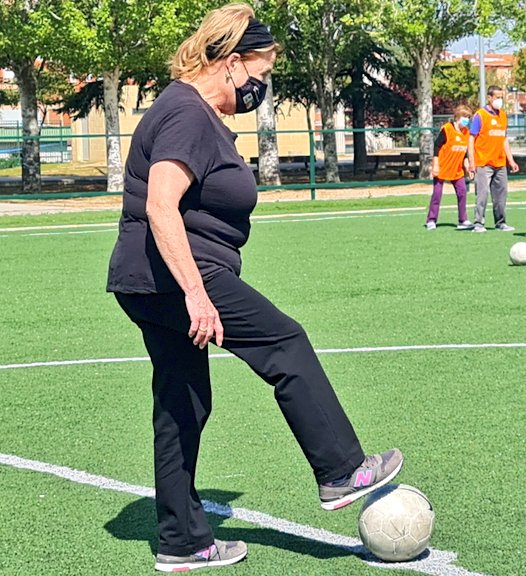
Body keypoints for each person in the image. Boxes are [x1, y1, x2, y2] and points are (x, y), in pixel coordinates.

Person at [105, 5, 402, 571]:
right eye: (260, 77)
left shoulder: (183, 108)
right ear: (231, 63)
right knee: (285, 343)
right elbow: (161, 205)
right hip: (180, 276)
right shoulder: (188, 114)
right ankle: (340, 470)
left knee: (182, 403)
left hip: (147, 281)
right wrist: (196, 292)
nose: (259, 90)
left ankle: (182, 540)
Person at [467, 85, 520, 233]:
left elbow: (504, 139)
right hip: (483, 162)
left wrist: (511, 160)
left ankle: (501, 222)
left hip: (500, 162)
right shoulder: (480, 115)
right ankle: (478, 223)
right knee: (482, 194)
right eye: (497, 97)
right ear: (489, 98)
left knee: (501, 195)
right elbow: (471, 139)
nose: (499, 101)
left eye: (501, 98)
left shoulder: (503, 115)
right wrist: (472, 162)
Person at [426, 104, 474, 230]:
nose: (466, 120)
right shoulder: (447, 129)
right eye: (464, 116)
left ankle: (463, 220)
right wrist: (435, 165)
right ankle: (431, 220)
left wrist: (468, 167)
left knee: (462, 193)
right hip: (442, 167)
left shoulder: (466, 133)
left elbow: (464, 153)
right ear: (457, 117)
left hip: (457, 170)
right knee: (437, 194)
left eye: (468, 117)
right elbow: (436, 147)